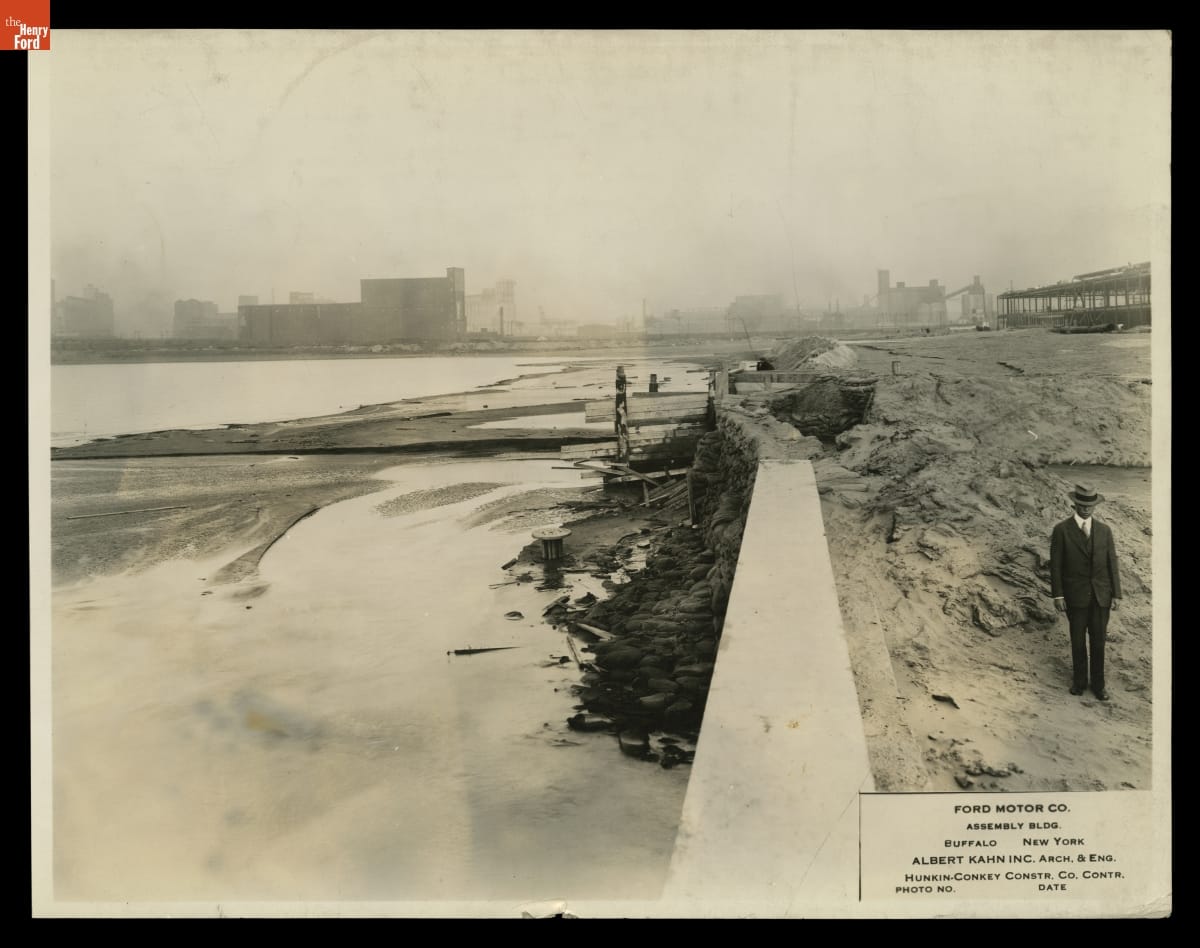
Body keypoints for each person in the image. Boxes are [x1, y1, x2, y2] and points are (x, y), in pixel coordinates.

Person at [1049, 484, 1123, 701]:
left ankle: (1099, 686)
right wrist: (1058, 595)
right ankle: (1079, 682)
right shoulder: (1061, 530)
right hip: (1075, 596)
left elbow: (1112, 563)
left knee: (1099, 641)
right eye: (1082, 505)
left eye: (1090, 506)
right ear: (1074, 504)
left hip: (1101, 596)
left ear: (1095, 506)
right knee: (1078, 640)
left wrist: (1117, 594)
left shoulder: (1105, 531)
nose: (1086, 509)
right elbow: (1056, 566)